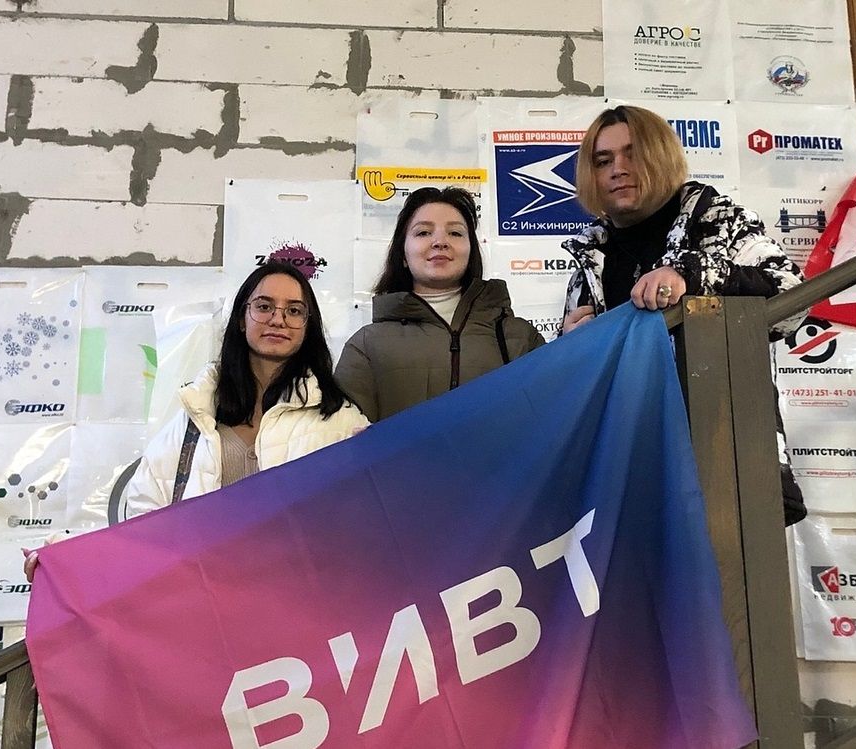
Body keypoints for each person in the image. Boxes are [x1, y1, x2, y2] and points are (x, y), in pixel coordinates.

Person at [25, 263, 368, 579]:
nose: (278, 319)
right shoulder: (194, 416)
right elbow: (143, 531)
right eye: (264, 306)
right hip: (205, 607)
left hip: (297, 607)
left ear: (308, 326)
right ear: (241, 318)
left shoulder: (339, 421)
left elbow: (362, 530)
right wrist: (66, 560)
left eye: (294, 311)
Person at [560, 105, 809, 525]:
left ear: (661, 156)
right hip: (626, 474)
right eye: (603, 161)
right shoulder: (590, 257)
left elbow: (793, 300)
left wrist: (691, 274)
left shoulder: (718, 220)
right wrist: (569, 348)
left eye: (632, 154)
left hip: (724, 459)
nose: (618, 169)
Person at [335, 186, 544, 422]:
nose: (440, 242)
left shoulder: (520, 336)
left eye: (455, 233)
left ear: (471, 251)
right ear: (403, 254)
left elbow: (550, 418)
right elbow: (345, 435)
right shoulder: (366, 345)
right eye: (423, 232)